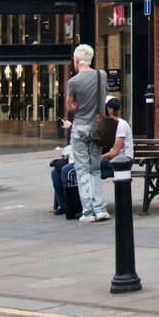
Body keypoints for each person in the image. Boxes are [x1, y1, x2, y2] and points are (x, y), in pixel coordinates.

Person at [65, 43, 110, 223]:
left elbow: (70, 106)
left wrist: (75, 106)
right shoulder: (102, 75)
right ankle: (100, 208)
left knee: (82, 170)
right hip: (97, 128)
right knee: (95, 169)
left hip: (80, 130)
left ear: (76, 60)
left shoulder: (73, 82)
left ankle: (88, 211)